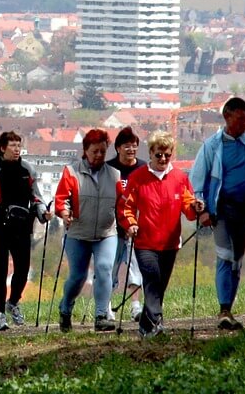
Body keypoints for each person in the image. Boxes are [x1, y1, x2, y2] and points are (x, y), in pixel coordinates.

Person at [190, 97, 245, 331]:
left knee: (237, 260)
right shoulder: (212, 146)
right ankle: (224, 309)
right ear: (227, 117)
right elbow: (197, 182)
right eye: (240, 119)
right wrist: (203, 210)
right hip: (221, 210)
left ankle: (229, 308)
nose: (244, 124)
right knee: (225, 255)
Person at [121, 131, 202, 338]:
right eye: (159, 155)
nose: (163, 159)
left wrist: (196, 206)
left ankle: (146, 327)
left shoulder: (179, 178)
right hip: (145, 242)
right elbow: (126, 207)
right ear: (151, 153)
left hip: (170, 242)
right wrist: (131, 224)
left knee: (160, 285)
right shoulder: (138, 177)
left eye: (167, 154)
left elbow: (187, 205)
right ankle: (156, 322)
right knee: (152, 280)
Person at [0, 131, 51, 331]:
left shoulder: (28, 170)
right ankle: (0, 312)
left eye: (19, 146)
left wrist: (44, 213)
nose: (17, 149)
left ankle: (13, 302)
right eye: (12, 146)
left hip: (22, 226)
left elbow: (37, 198)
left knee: (23, 270)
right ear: (2, 148)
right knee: (0, 271)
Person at [54, 128, 122, 332]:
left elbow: (122, 203)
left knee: (104, 269)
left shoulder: (114, 175)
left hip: (106, 232)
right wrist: (64, 213)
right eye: (95, 151)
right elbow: (61, 199)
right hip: (78, 233)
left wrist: (128, 222)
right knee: (78, 276)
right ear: (85, 150)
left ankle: (101, 315)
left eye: (103, 151)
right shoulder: (72, 172)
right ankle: (65, 308)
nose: (99, 155)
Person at [107, 126, 146, 321]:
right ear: (118, 148)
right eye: (126, 146)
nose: (131, 150)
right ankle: (105, 307)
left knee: (135, 267)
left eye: (134, 146)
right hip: (111, 227)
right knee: (109, 267)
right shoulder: (109, 169)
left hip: (135, 227)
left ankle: (136, 306)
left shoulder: (143, 168)